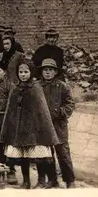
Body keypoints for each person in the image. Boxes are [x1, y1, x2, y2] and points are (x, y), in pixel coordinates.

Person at [0, 60, 60, 189]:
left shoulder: (36, 88)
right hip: (19, 131)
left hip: (34, 132)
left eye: (26, 72)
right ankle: (26, 181)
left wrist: (41, 130)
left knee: (38, 156)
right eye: (20, 72)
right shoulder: (15, 89)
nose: (23, 75)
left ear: (31, 73)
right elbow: (11, 111)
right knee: (23, 158)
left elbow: (42, 111)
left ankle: (41, 181)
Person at [37, 58, 76, 189]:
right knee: (47, 154)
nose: (47, 73)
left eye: (50, 70)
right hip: (43, 126)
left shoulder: (62, 86)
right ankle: (52, 179)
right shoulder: (37, 87)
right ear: (42, 72)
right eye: (45, 70)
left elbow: (70, 104)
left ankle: (70, 180)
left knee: (63, 153)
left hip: (59, 126)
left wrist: (59, 112)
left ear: (55, 72)